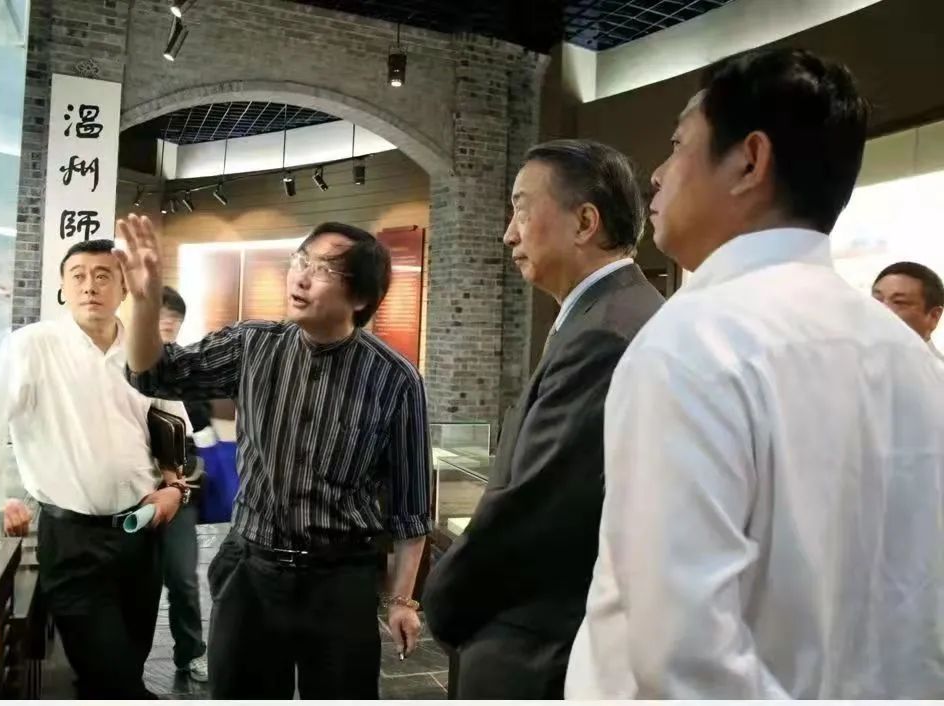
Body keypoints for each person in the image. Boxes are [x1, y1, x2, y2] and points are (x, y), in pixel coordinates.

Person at [565, 47, 944, 699]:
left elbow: (684, 657)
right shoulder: (910, 359)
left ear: (749, 160)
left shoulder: (694, 341)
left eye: (678, 145)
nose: (657, 174)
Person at [115, 215, 432, 699]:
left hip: (339, 579)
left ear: (361, 297)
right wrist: (143, 301)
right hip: (252, 570)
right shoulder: (254, 344)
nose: (301, 277)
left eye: (324, 270)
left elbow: (410, 508)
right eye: (301, 261)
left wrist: (402, 600)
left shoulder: (394, 379)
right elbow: (152, 374)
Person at [421, 140, 663, 699]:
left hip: (540, 644)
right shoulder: (607, 312)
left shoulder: (606, 331)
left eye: (522, 210)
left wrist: (444, 598)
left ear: (584, 222)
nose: (509, 234)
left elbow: (537, 506)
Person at [0, 239, 186, 699]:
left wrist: (174, 489)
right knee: (112, 677)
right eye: (78, 276)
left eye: (103, 276)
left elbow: (174, 432)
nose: (90, 286)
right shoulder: (33, 345)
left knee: (128, 663)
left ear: (123, 287)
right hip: (72, 541)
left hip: (141, 535)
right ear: (63, 288)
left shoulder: (147, 349)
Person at [156, 286, 211, 682]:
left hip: (179, 485)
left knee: (182, 576)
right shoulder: (119, 364)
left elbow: (202, 422)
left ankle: (190, 651)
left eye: (175, 321)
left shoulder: (186, 367)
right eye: (163, 318)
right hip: (132, 487)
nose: (169, 326)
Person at [871, 261, 944, 359]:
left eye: (899, 302)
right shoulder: (861, 363)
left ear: (934, 316)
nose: (882, 309)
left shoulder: (935, 368)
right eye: (877, 300)